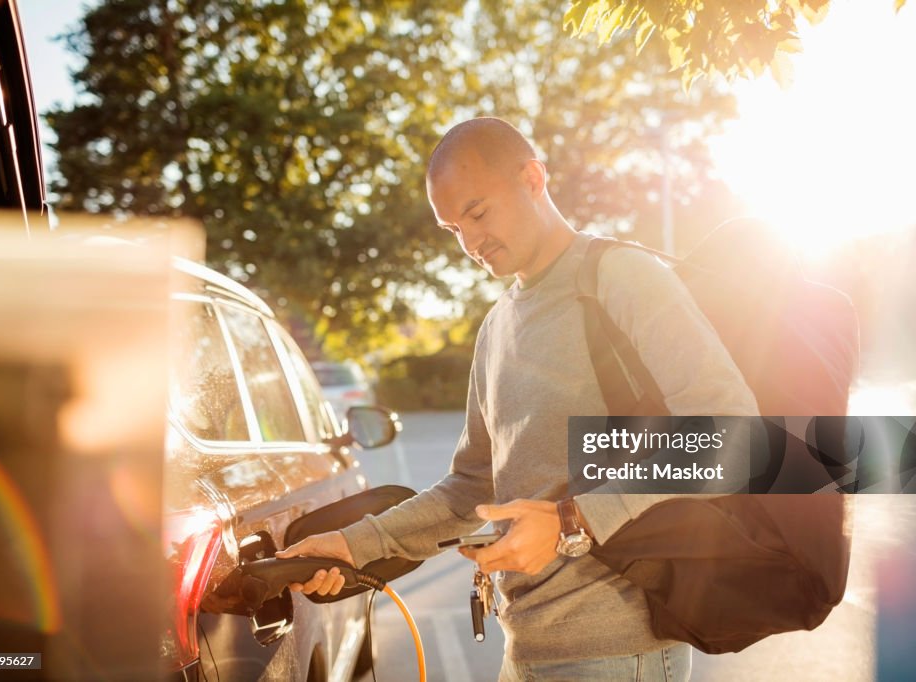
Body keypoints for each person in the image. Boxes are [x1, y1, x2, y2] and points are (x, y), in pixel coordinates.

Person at [277, 117, 758, 681]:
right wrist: (349, 545)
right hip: (525, 649)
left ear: (533, 178)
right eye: (452, 228)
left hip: (620, 652)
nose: (470, 243)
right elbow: (471, 488)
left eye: (477, 213)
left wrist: (572, 520)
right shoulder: (497, 326)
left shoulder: (620, 277)